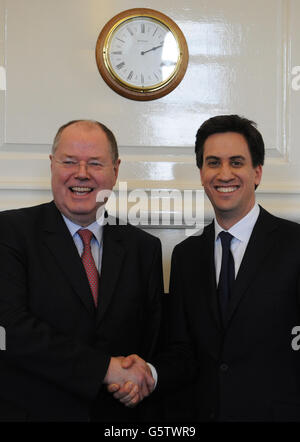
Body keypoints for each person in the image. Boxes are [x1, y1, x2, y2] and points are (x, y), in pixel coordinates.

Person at [112, 114, 300, 422]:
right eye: (213, 163)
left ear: (257, 172)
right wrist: (150, 374)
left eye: (236, 162)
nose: (224, 174)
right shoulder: (186, 256)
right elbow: (183, 352)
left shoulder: (294, 244)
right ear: (201, 173)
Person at [0, 119, 163, 421]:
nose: (82, 174)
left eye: (96, 164)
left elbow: (153, 340)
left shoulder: (144, 248)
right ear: (52, 165)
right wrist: (104, 369)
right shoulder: (9, 233)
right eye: (70, 161)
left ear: (115, 170)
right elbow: (10, 329)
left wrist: (139, 379)